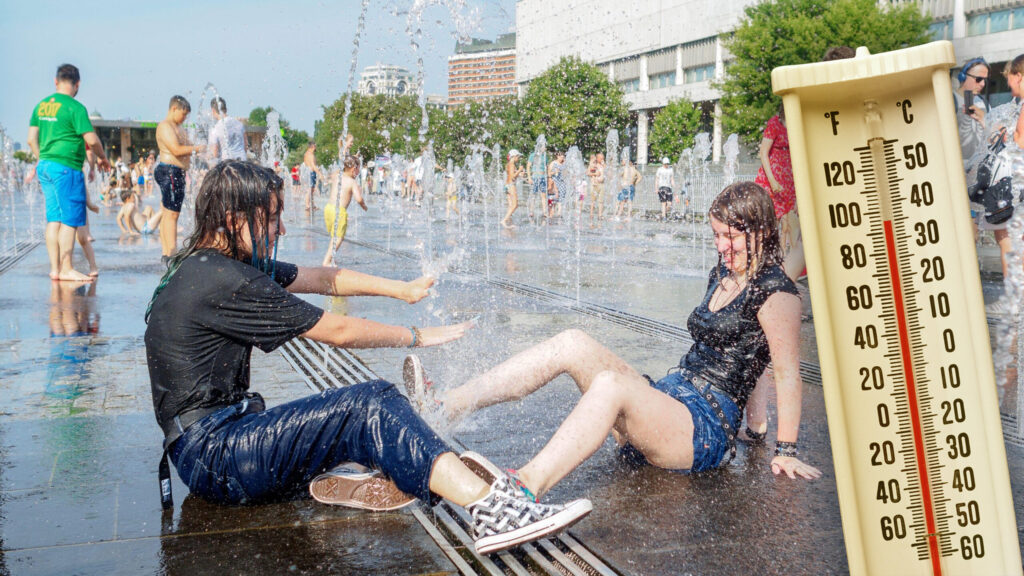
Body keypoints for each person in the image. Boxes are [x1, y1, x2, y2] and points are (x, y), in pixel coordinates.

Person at [146, 160, 592, 555]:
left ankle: (361, 470)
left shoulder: (208, 264)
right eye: (273, 218)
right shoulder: (225, 280)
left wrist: (404, 290)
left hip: (205, 446)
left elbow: (324, 278)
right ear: (233, 218)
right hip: (216, 456)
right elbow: (336, 331)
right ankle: (492, 510)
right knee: (369, 403)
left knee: (350, 415)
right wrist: (415, 336)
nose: (281, 230)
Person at [405, 182, 821, 501]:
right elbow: (751, 353)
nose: (721, 247)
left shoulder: (777, 291)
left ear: (762, 231)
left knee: (611, 384)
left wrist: (782, 447)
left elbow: (784, 370)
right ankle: (444, 405)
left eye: (730, 237)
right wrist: (757, 427)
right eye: (716, 236)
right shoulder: (726, 273)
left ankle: (522, 489)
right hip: (671, 399)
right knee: (573, 342)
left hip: (702, 429)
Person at [27, 63, 111, 282]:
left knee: (53, 219)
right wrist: (102, 158)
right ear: (78, 84)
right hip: (66, 168)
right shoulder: (75, 107)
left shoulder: (41, 106)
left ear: (56, 81)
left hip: (46, 166)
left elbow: (30, 139)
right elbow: (91, 139)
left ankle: (55, 269)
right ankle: (67, 268)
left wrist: (42, 158)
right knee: (70, 221)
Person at [754, 105, 804, 281]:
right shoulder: (775, 124)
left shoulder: (797, 124)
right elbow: (763, 153)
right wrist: (773, 181)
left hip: (789, 178)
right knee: (770, 222)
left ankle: (789, 266)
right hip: (772, 177)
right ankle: (764, 262)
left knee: (790, 224)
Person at [156, 95, 204, 265]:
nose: (185, 118)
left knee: (167, 212)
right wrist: (199, 148)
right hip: (170, 171)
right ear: (174, 108)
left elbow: (188, 147)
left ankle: (166, 252)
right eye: (183, 114)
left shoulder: (178, 127)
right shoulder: (165, 126)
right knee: (172, 214)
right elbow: (176, 150)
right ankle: (171, 252)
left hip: (175, 172)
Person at [323, 155, 368, 267]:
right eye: (358, 169)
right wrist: (364, 206)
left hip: (328, 208)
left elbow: (335, 171)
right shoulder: (352, 182)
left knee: (334, 236)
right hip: (339, 211)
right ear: (354, 169)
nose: (358, 172)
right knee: (339, 237)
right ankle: (327, 261)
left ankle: (331, 257)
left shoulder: (337, 176)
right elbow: (359, 199)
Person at [207, 97, 247, 163]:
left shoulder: (215, 129)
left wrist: (203, 156)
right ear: (225, 109)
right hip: (243, 162)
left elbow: (214, 154)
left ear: (213, 110)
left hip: (227, 165)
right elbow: (245, 147)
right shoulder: (240, 124)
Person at [501, 150, 524, 228]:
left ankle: (508, 222)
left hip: (507, 185)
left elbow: (512, 175)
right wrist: (519, 170)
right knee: (515, 205)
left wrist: (519, 174)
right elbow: (513, 176)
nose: (518, 158)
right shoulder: (512, 164)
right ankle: (504, 220)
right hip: (511, 186)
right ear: (514, 156)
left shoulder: (508, 164)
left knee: (511, 205)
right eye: (518, 157)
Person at [526, 144, 548, 220]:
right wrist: (529, 177)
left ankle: (545, 212)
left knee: (543, 195)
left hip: (542, 177)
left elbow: (546, 167)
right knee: (533, 195)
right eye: (544, 146)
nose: (545, 148)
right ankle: (531, 211)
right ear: (540, 147)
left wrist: (547, 177)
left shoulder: (545, 156)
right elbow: (528, 166)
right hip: (535, 177)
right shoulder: (533, 155)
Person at [547, 151, 567, 218]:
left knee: (561, 198)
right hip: (555, 182)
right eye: (561, 157)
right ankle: (551, 212)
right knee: (554, 198)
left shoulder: (564, 164)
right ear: (558, 156)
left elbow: (566, 173)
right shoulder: (553, 163)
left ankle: (559, 213)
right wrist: (554, 172)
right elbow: (549, 174)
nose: (562, 158)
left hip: (562, 182)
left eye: (563, 157)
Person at [588, 153, 606, 226]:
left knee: (601, 201)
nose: (602, 160)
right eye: (601, 158)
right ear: (597, 158)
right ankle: (591, 214)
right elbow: (588, 173)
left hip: (602, 184)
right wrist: (595, 174)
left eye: (603, 158)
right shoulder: (593, 165)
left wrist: (604, 164)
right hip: (594, 185)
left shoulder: (603, 166)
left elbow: (608, 172)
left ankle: (600, 215)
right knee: (593, 200)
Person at [303, 142, 321, 210]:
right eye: (315, 146)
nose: (315, 148)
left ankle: (312, 204)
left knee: (312, 189)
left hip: (309, 172)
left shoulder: (307, 154)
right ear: (312, 147)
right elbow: (313, 165)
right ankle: (307, 205)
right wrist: (320, 173)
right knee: (310, 189)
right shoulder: (310, 155)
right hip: (311, 172)